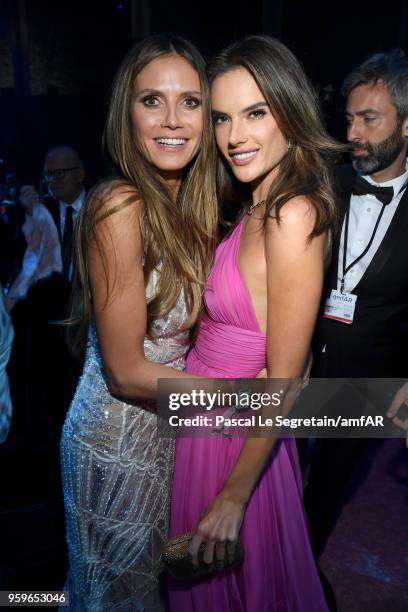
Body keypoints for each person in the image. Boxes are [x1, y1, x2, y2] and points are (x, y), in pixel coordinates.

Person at [169, 35, 341, 612]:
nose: (234, 136)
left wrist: (234, 498)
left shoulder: (292, 212)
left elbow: (287, 382)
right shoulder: (257, 204)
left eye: (255, 113)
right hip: (212, 423)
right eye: (221, 117)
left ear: (289, 110)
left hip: (237, 443)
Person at [60, 35, 218, 611]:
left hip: (173, 429)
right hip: (119, 438)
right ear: (127, 113)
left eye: (191, 102)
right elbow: (126, 371)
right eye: (153, 100)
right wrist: (255, 401)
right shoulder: (119, 204)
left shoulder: (193, 207)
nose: (172, 120)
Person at [303, 49, 408, 560]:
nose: (354, 133)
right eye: (349, 119)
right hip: (291, 368)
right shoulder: (321, 185)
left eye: (369, 118)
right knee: (268, 488)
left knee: (323, 494)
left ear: (407, 125)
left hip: (366, 384)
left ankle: (299, 577)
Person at [42, 146, 86, 280]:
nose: (51, 180)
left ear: (80, 174)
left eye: (59, 173)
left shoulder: (101, 208)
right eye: (48, 174)